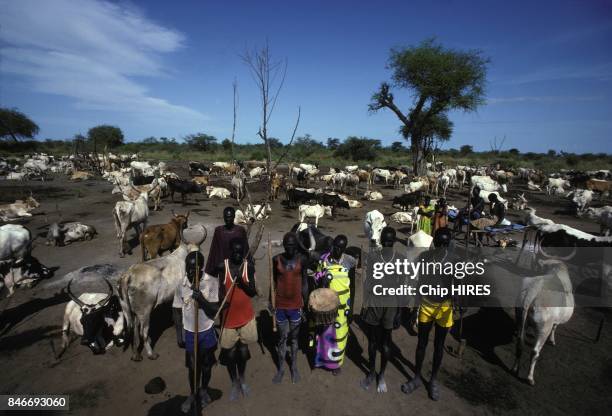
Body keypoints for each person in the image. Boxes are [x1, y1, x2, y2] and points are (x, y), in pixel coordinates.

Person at [401, 228, 454, 401]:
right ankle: (416, 377)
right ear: (434, 244)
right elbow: (419, 284)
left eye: (445, 245)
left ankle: (432, 381)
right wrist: (415, 308)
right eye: (439, 244)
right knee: (421, 343)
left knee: (439, 345)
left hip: (444, 309)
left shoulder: (453, 262)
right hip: (425, 305)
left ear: (448, 245)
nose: (441, 247)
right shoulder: (424, 259)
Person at [174, 251, 219, 413]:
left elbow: (215, 310)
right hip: (190, 332)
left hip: (207, 329)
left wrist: (201, 299)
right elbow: (176, 310)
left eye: (195, 267)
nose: (192, 271)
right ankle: (193, 394)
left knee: (206, 365)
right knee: (193, 367)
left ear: (202, 268)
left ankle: (204, 390)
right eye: (189, 268)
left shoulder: (211, 282)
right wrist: (179, 334)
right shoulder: (181, 284)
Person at [214, 238, 257, 401]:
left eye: (241, 252)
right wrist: (221, 303)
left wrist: (241, 282)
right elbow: (219, 289)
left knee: (243, 351)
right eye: (235, 251)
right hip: (229, 319)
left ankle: (243, 379)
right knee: (230, 354)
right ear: (230, 251)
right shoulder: (222, 266)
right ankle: (234, 382)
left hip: (246, 317)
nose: (238, 255)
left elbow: (252, 292)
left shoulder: (248, 267)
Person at [360, 226, 402, 393]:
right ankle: (371, 372)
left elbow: (401, 287)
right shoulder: (373, 258)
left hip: (391, 304)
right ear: (381, 241)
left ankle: (381, 375)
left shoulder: (400, 260)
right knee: (372, 341)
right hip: (375, 303)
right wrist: (365, 304)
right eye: (385, 241)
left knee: (385, 343)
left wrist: (399, 311)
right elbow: (368, 283)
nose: (387, 244)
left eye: (390, 241)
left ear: (394, 242)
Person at [311, 234, 357, 375]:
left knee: (340, 335)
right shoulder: (324, 261)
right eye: (335, 246)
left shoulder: (349, 262)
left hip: (344, 307)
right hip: (327, 305)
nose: (336, 250)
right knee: (325, 333)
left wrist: (352, 309)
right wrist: (322, 282)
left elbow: (353, 286)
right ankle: (323, 359)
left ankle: (335, 363)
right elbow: (316, 282)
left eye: (340, 247)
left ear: (344, 248)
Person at [271, 233, 311, 384]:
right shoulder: (276, 260)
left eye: (293, 245)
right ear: (283, 244)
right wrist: (271, 301)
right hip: (280, 306)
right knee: (282, 339)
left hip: (295, 306)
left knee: (294, 339)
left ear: (296, 245)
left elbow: (305, 283)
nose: (290, 247)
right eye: (287, 244)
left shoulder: (302, 260)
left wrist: (306, 304)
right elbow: (273, 282)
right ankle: (281, 368)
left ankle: (294, 367)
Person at [205, 207, 249, 278]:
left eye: (230, 217)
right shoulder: (219, 231)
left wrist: (248, 265)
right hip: (223, 267)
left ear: (234, 216)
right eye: (226, 217)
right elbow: (214, 250)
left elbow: (245, 249)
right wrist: (212, 268)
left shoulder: (240, 231)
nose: (228, 219)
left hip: (238, 266)